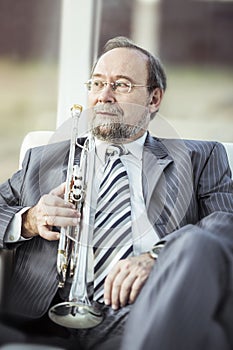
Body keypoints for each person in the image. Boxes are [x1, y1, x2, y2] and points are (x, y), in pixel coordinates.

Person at [0, 36, 232, 350]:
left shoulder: (200, 158)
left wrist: (159, 256)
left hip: (145, 314)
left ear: (153, 99)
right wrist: (29, 219)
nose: (103, 97)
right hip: (45, 323)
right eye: (96, 84)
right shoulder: (42, 160)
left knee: (197, 245)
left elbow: (225, 224)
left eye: (121, 85)